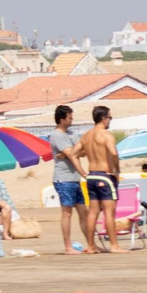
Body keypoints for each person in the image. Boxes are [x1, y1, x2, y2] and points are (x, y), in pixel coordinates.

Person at [77, 106, 119, 254]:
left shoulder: (86, 136)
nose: (110, 121)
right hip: (104, 175)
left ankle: (91, 246)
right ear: (103, 118)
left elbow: (74, 154)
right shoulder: (106, 135)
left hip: (91, 175)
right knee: (109, 212)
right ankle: (114, 246)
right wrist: (116, 170)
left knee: (92, 212)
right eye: (109, 118)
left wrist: (82, 172)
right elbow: (113, 153)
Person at [49, 105, 88, 255]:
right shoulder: (56, 135)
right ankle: (68, 246)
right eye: (69, 118)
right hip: (64, 179)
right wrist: (72, 154)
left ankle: (91, 244)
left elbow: (82, 152)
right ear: (61, 119)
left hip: (74, 179)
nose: (72, 120)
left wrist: (69, 153)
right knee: (67, 213)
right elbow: (73, 154)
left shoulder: (72, 134)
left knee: (84, 212)